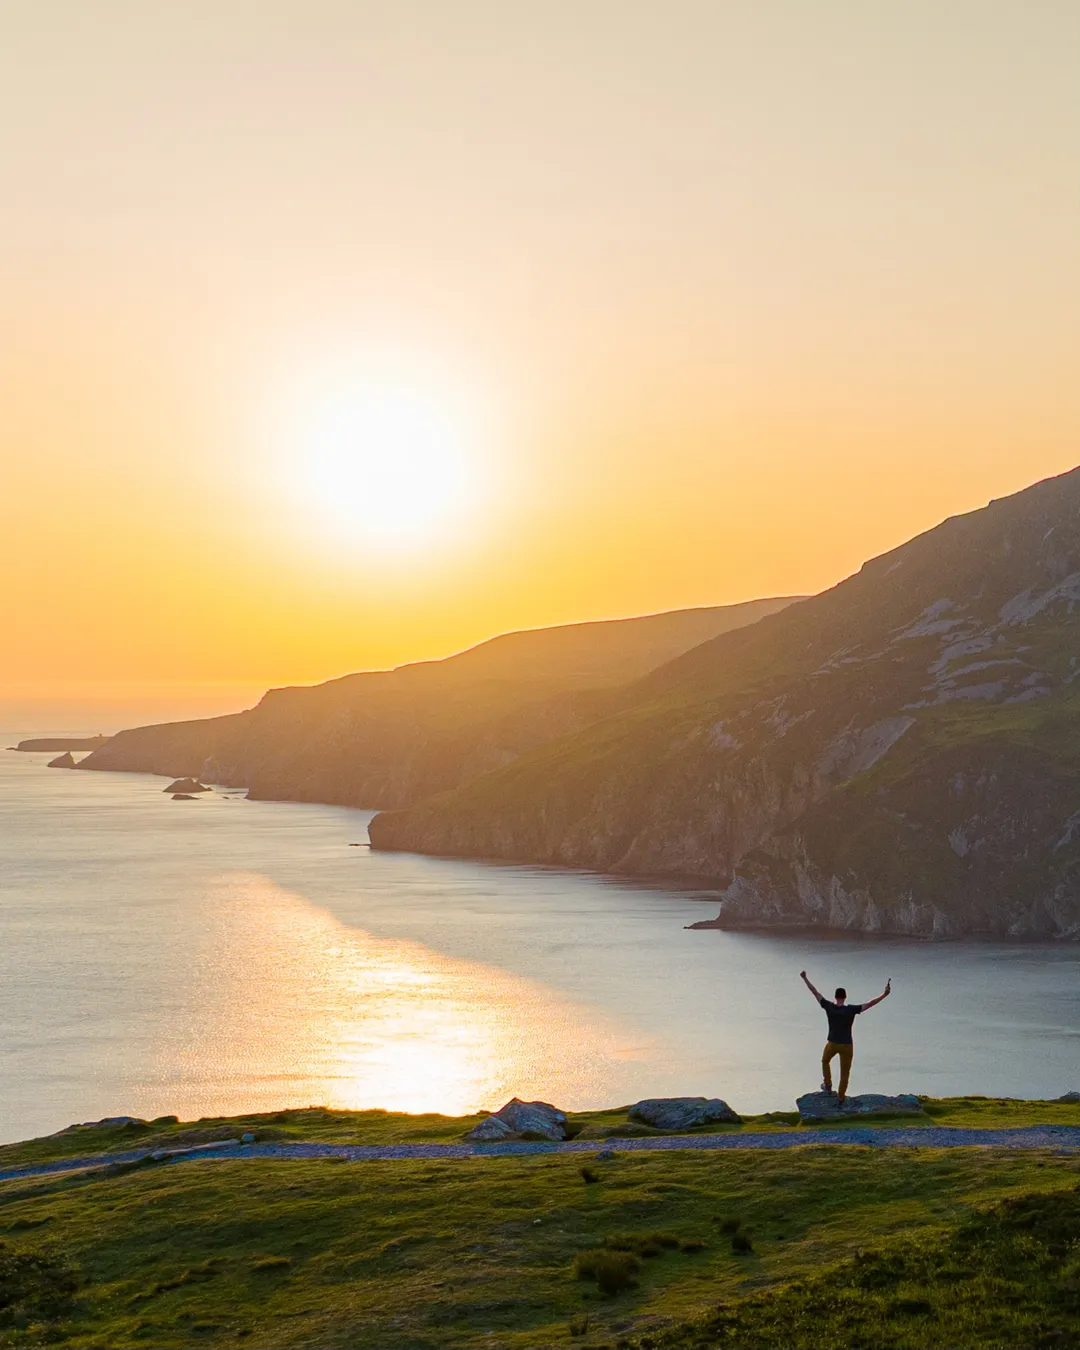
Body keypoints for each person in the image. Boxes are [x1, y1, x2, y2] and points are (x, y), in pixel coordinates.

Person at [799, 970, 891, 1104]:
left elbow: (815, 993)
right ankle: (841, 1098)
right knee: (845, 1073)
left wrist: (805, 978)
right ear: (845, 997)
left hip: (832, 1043)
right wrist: (884, 994)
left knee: (825, 1061)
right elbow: (870, 1004)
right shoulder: (850, 1010)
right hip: (847, 1045)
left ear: (835, 997)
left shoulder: (829, 1007)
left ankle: (828, 1085)